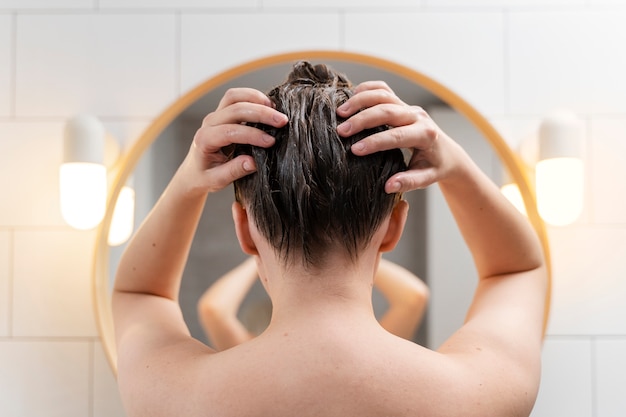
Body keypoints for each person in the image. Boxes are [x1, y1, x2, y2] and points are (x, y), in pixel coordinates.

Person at [112, 61, 547, 417]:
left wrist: (190, 178)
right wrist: (454, 163)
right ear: (394, 227)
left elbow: (139, 293)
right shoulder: (471, 394)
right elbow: (518, 270)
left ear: (244, 230)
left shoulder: (178, 397)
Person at [198, 257, 429, 350]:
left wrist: (263, 251)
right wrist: (355, 252)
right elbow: (413, 297)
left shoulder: (251, 359)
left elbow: (214, 310)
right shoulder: (372, 352)